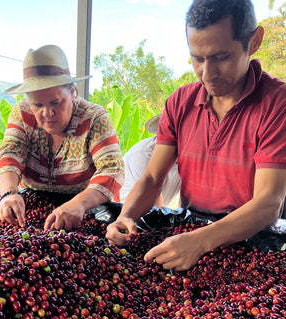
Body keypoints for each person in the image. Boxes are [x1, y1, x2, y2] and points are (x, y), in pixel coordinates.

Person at [106, 0, 286, 271]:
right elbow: (153, 177)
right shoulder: (180, 102)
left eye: (221, 57)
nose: (207, 74)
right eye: (197, 59)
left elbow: (269, 202)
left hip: (253, 246)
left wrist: (201, 242)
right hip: (188, 238)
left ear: (254, 41)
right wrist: (126, 216)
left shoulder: (277, 103)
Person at [0, 44, 124, 231]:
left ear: (72, 93)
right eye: (37, 105)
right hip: (34, 209)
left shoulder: (94, 118)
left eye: (56, 102)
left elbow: (112, 169)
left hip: (88, 211)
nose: (47, 113)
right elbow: (9, 152)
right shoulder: (22, 114)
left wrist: (78, 204)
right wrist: (9, 193)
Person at [119, 114, 181, 206]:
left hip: (158, 213)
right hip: (126, 213)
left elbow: (188, 207)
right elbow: (155, 209)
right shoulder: (143, 156)